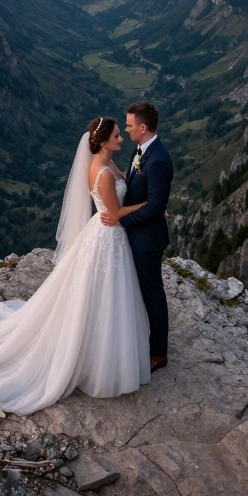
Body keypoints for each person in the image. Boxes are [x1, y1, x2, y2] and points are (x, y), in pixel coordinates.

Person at [0, 117, 151, 416]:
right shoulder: (103, 173)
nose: (121, 138)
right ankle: (99, 360)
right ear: (103, 141)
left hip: (107, 237)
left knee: (106, 297)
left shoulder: (109, 164)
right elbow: (114, 213)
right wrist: (149, 206)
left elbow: (122, 189)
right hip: (107, 235)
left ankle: (105, 353)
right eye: (117, 135)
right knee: (103, 295)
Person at [100, 101, 173, 372]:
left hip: (147, 240)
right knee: (139, 291)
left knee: (152, 293)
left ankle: (159, 353)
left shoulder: (159, 161)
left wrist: (122, 220)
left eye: (129, 126)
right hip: (135, 234)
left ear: (142, 127)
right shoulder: (142, 150)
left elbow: (156, 206)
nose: (126, 130)